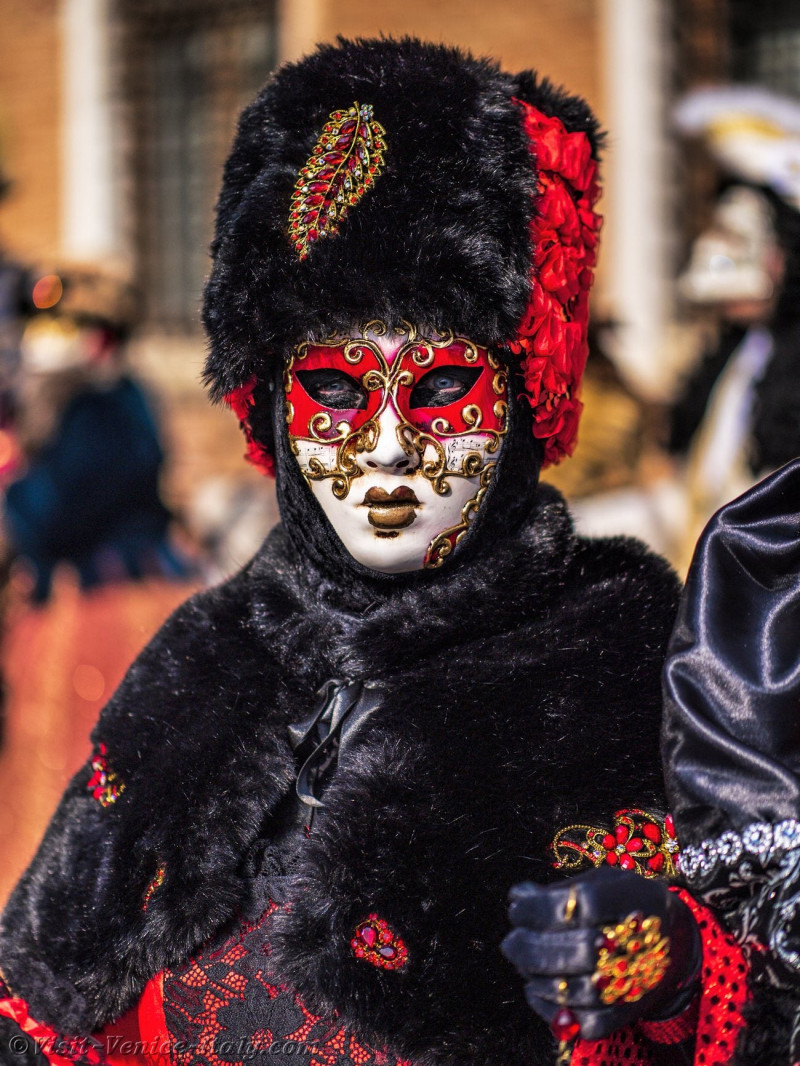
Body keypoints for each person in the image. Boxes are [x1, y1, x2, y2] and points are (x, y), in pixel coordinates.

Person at [0, 39, 685, 1066]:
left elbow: (739, 970)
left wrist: (663, 959)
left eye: (441, 387)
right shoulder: (213, 649)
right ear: (274, 411)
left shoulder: (610, 661)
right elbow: (47, 985)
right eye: (336, 391)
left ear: (520, 404)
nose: (387, 449)